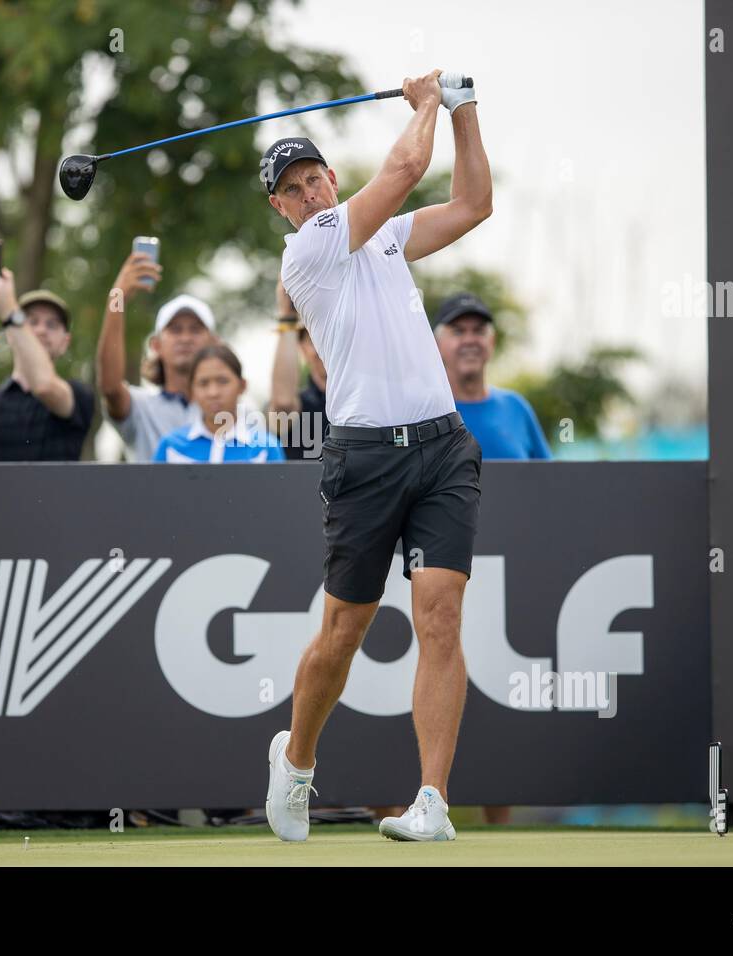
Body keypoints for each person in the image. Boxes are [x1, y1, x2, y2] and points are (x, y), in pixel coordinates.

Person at [260, 69, 492, 843]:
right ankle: (295, 761)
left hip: (441, 447)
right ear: (281, 210)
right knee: (342, 635)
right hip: (363, 459)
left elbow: (472, 205)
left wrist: (463, 111)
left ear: (331, 175)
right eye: (292, 189)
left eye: (315, 176)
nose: (310, 193)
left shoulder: (385, 235)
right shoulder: (309, 253)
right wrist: (426, 98)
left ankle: (433, 800)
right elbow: (400, 171)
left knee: (441, 616)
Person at [0, 268, 94, 461]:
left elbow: (44, 386)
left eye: (52, 325)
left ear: (65, 342)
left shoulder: (79, 396)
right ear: (11, 335)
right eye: (31, 322)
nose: (41, 330)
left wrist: (10, 311)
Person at [96, 251, 215, 461]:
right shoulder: (140, 407)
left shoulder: (233, 412)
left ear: (213, 343)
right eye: (175, 330)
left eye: (195, 330)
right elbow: (110, 388)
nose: (185, 338)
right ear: (156, 345)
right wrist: (117, 297)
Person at [434, 292, 550, 461]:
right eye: (458, 331)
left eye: (479, 331)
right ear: (437, 344)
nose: (469, 340)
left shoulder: (517, 407)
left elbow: (549, 480)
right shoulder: (426, 413)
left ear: (492, 342)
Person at [153, 344, 285, 463]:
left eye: (223, 381)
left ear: (242, 386)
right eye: (203, 383)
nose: (213, 393)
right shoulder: (171, 447)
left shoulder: (265, 448)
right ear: (191, 390)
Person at [267, 276, 328, 460]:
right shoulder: (302, 406)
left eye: (327, 337)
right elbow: (283, 403)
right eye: (313, 339)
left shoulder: (368, 401)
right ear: (301, 347)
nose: (322, 348)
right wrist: (288, 317)